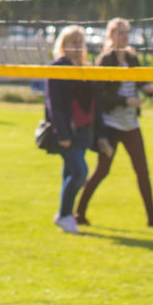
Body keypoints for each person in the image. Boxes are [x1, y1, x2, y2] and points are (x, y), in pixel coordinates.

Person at [75, 18, 153, 229]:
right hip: (111, 125)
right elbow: (99, 97)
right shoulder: (105, 60)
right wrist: (125, 100)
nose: (125, 37)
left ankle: (152, 219)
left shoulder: (131, 57)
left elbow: (140, 83)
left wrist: (148, 88)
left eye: (127, 33)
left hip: (130, 123)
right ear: (111, 36)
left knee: (142, 170)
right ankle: (78, 213)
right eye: (121, 33)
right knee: (102, 170)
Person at [43, 24, 95, 234]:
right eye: (73, 42)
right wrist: (62, 133)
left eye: (80, 42)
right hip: (67, 132)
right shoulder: (58, 67)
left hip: (83, 131)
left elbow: (93, 101)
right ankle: (65, 215)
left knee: (71, 173)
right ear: (63, 45)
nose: (77, 46)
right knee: (80, 172)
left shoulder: (84, 67)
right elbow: (54, 104)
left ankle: (64, 215)